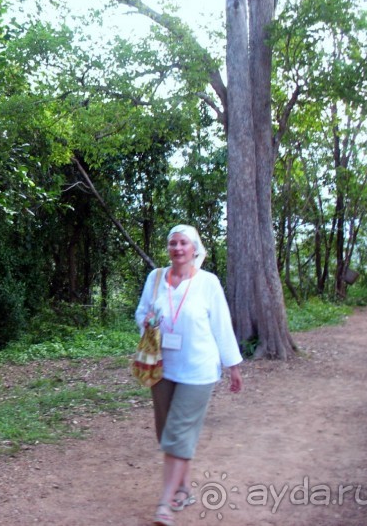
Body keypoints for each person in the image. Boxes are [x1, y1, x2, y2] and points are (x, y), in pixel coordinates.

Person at [134, 224, 243, 526]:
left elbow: (222, 324)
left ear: (195, 248)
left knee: (178, 433)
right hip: (161, 366)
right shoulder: (156, 279)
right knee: (166, 430)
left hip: (198, 369)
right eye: (173, 243)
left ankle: (165, 505)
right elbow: (141, 312)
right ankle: (183, 488)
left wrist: (232, 365)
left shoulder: (208, 282)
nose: (178, 248)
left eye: (183, 243)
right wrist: (147, 321)